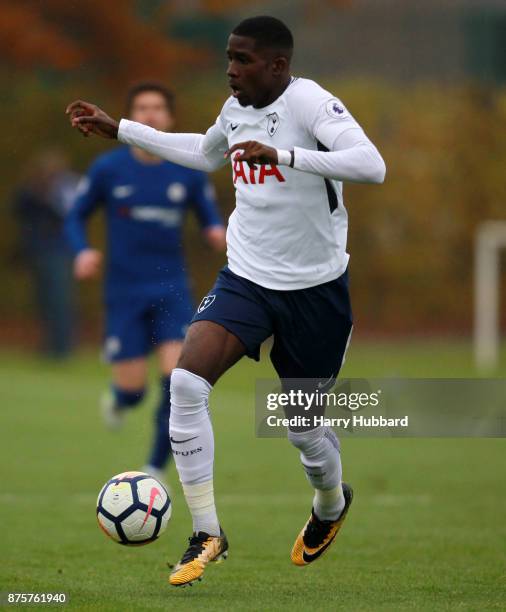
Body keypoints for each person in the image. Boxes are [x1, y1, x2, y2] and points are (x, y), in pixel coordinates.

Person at [66, 15, 386, 587]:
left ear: (278, 65)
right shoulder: (235, 109)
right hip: (246, 278)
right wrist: (124, 130)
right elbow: (206, 152)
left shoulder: (311, 103)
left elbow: (371, 165)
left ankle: (331, 504)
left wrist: (286, 157)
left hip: (316, 291)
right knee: (187, 383)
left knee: (303, 431)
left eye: (243, 60)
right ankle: (208, 531)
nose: (231, 70)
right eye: (229, 59)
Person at [65, 82, 226, 483]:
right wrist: (82, 251)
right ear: (130, 117)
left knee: (178, 381)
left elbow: (210, 219)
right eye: (142, 107)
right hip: (123, 292)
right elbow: (75, 215)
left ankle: (155, 465)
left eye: (158, 108)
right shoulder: (109, 169)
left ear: (169, 118)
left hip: (171, 289)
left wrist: (217, 234)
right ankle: (121, 400)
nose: (150, 115)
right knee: (134, 389)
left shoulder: (185, 171)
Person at [13, 149, 78, 358]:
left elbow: (68, 213)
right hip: (38, 252)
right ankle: (50, 344)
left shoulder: (65, 189)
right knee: (44, 301)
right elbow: (19, 209)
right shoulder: (30, 191)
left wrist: (50, 197)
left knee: (59, 300)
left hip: (58, 252)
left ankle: (62, 346)